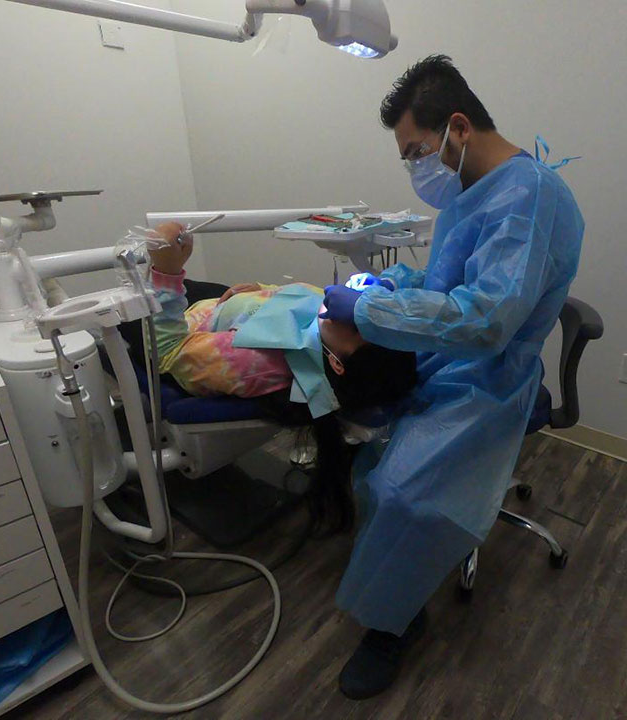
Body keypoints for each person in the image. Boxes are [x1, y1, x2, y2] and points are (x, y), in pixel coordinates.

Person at [320, 55, 585, 699]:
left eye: (417, 150)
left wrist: (375, 310)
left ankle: (393, 625)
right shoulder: (474, 193)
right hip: (446, 359)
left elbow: (489, 320)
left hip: (489, 379)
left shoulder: (530, 199)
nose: (417, 167)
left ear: (458, 128)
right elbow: (448, 286)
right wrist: (389, 284)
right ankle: (394, 588)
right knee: (370, 455)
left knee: (403, 489)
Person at [143, 222, 418, 530]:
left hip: (179, 322)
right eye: (365, 308)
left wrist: (165, 273)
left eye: (355, 325)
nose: (347, 308)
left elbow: (165, 351)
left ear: (337, 364)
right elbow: (294, 299)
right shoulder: (331, 323)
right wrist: (260, 292)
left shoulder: (256, 360)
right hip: (224, 303)